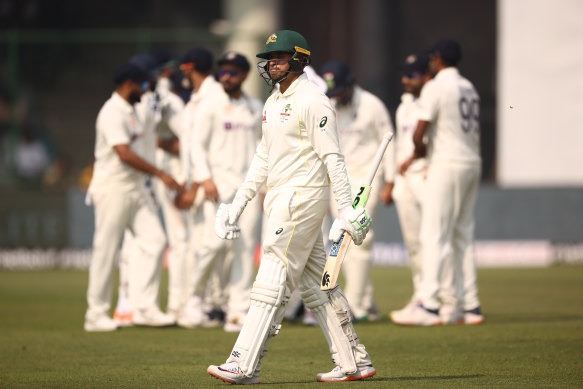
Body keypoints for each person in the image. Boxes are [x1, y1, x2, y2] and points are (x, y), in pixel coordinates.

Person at [207, 29, 375, 384]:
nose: (270, 65)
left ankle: (243, 363)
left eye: (278, 59)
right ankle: (354, 361)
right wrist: (238, 202)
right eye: (268, 59)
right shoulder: (273, 101)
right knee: (317, 284)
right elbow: (262, 158)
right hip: (280, 196)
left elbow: (334, 158)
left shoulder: (313, 100)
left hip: (301, 197)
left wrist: (345, 209)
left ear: (298, 60)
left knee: (272, 277)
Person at [393, 39, 484, 326]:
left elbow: (419, 134)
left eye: (432, 58)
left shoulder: (436, 87)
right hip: (472, 162)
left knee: (434, 234)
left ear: (438, 59)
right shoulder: (469, 86)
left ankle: (429, 305)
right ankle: (470, 306)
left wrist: (417, 154)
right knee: (463, 236)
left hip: (446, 163)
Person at [84, 61, 180, 332]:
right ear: (129, 84)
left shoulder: (134, 109)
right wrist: (160, 173)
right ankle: (96, 314)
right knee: (106, 249)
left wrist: (162, 82)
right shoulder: (111, 112)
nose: (146, 90)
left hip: (136, 189)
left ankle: (145, 309)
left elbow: (151, 120)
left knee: (155, 241)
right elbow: (123, 154)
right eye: (143, 85)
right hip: (113, 188)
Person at [181, 52, 262, 332]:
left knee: (244, 248)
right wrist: (204, 178)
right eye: (223, 72)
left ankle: (237, 309)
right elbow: (196, 146)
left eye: (232, 72)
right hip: (218, 187)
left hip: (248, 190)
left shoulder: (255, 107)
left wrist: (264, 187)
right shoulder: (211, 105)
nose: (226, 77)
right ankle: (193, 299)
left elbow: (265, 149)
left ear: (245, 76)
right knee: (213, 246)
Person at [112, 51, 186, 327]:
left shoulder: (148, 101)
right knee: (131, 246)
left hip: (142, 181)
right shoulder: (132, 105)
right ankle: (126, 306)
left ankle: (133, 307)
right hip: (129, 181)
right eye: (156, 75)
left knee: (144, 244)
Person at [319, 60, 394, 322]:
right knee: (341, 241)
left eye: (341, 90)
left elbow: (388, 143)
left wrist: (391, 180)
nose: (337, 96)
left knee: (360, 237)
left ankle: (356, 304)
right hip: (339, 182)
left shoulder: (372, 105)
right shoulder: (331, 106)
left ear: (351, 84)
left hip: (367, 179)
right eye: (333, 92)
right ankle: (367, 301)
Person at [173, 47, 225, 328]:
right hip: (200, 183)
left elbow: (202, 148)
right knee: (205, 247)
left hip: (211, 184)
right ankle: (211, 305)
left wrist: (193, 185)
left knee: (209, 247)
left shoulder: (212, 98)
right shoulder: (196, 99)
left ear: (190, 69)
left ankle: (200, 302)